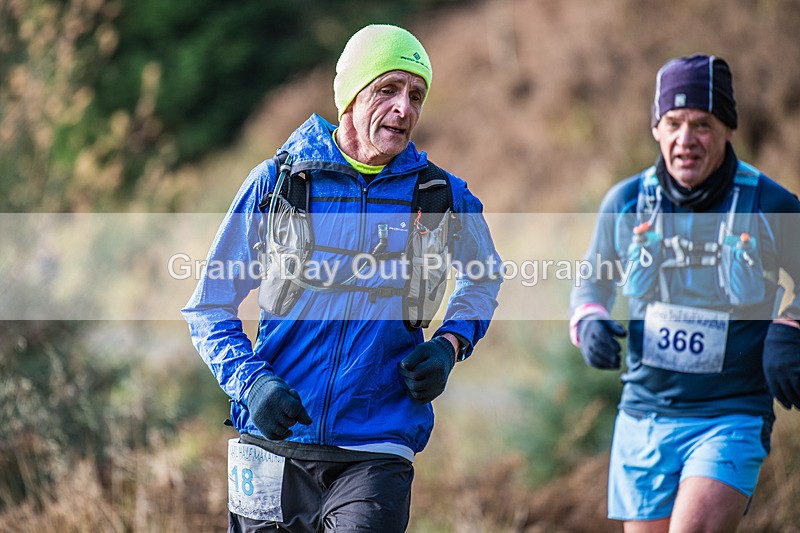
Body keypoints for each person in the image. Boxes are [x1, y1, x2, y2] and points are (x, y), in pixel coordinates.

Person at [182, 24, 502, 532]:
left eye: (416, 96)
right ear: (352, 96)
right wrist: (251, 383)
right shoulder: (279, 183)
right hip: (272, 445)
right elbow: (209, 306)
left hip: (376, 449)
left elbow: (483, 278)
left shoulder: (440, 195)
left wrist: (450, 344)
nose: (405, 108)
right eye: (388, 90)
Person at [569, 54, 800, 532]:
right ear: (656, 128)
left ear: (728, 129)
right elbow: (592, 282)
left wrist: (788, 325)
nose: (685, 140)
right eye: (673, 123)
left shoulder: (771, 204)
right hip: (643, 418)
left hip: (730, 415)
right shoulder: (627, 201)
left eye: (702, 124)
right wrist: (589, 317)